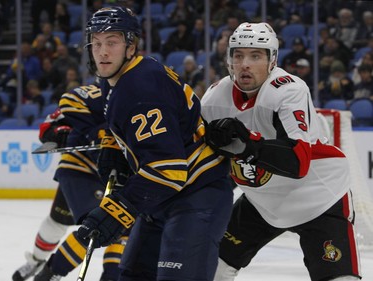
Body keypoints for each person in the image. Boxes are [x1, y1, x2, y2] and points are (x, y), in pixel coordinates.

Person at [77, 6, 233, 281]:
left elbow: (169, 170)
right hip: (162, 198)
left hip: (197, 195)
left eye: (111, 42)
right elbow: (130, 126)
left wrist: (117, 210)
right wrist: (114, 148)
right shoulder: (117, 78)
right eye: (97, 43)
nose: (102, 52)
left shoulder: (140, 87)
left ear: (130, 46)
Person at [201, 22, 362, 281]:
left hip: (317, 197)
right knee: (210, 269)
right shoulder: (213, 100)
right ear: (228, 59)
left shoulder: (288, 90)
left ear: (272, 60)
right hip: (262, 201)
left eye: (255, 56)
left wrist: (248, 144)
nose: (245, 64)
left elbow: (297, 163)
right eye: (238, 55)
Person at [13, 82, 127, 281]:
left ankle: (54, 272)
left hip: (116, 174)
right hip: (80, 169)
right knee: (75, 224)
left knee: (114, 225)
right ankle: (39, 263)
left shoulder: (145, 99)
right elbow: (49, 125)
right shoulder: (93, 95)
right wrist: (62, 132)